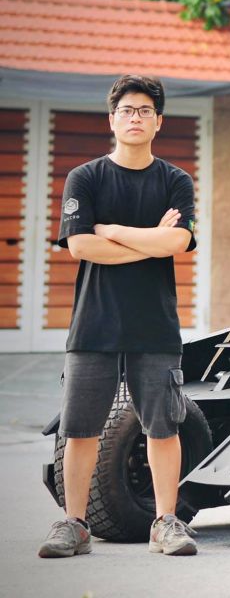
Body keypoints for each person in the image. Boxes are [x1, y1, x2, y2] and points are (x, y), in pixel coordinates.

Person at [38, 75, 199, 558]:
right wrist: (146, 239)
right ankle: (74, 524)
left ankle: (165, 522)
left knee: (163, 427)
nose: (135, 118)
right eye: (127, 110)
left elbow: (178, 243)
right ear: (112, 120)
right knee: (81, 429)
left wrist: (114, 231)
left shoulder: (175, 181)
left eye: (145, 111)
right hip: (94, 324)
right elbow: (80, 247)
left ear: (158, 122)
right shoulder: (85, 178)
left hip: (155, 326)